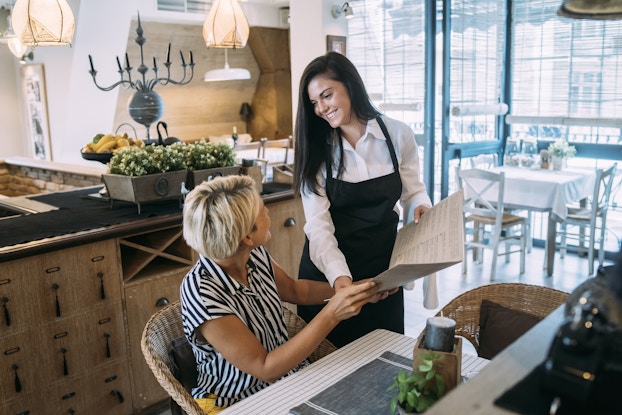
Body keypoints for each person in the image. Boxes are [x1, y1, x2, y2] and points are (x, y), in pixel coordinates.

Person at [180, 175, 382, 413]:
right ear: (246, 236)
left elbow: (296, 290)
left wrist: (357, 290)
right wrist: (332, 314)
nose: (268, 212)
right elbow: (265, 367)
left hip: (289, 380)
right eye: (263, 212)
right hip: (236, 402)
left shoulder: (253, 255)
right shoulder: (203, 293)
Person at [293, 51, 435, 348]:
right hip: (328, 276)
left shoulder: (398, 135)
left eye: (327, 96)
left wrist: (421, 206)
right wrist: (341, 281)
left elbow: (413, 191)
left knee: (385, 365)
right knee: (327, 370)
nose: (321, 108)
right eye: (314, 103)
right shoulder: (317, 150)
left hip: (382, 276)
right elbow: (319, 227)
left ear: (350, 84)